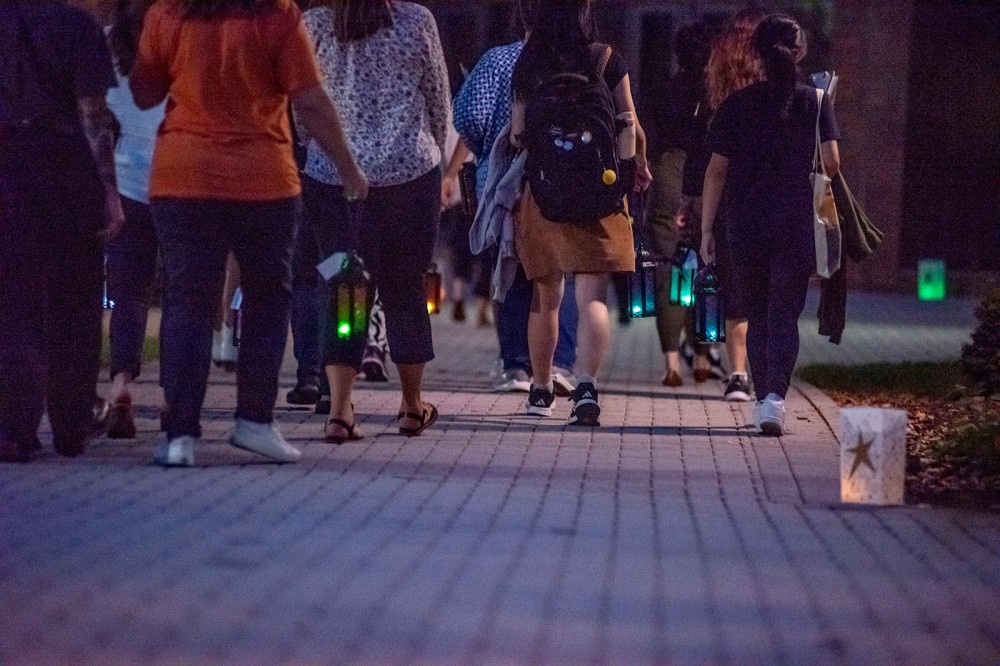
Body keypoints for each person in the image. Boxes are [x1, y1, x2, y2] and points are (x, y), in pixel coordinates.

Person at [130, 0, 368, 467]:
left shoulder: (168, 13)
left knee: (187, 300)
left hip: (184, 177)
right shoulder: (276, 15)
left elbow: (144, 92)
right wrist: (348, 168)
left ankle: (180, 435)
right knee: (266, 298)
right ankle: (254, 422)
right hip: (261, 180)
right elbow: (310, 99)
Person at [298, 0, 450, 443]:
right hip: (409, 176)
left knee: (345, 290)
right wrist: (433, 155)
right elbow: (438, 97)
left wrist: (313, 149)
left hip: (333, 179)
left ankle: (341, 411)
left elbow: (301, 102)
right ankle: (410, 405)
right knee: (405, 288)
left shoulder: (314, 25)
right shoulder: (417, 20)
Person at [511, 0, 652, 426]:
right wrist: (634, 170)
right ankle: (586, 386)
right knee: (591, 297)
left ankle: (540, 392)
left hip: (545, 193)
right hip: (601, 191)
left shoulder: (529, 62)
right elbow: (628, 121)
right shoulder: (606, 58)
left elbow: (519, 134)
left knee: (546, 297)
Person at [700, 14, 840, 435]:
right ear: (798, 53)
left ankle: (763, 399)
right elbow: (832, 164)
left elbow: (716, 171)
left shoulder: (736, 105)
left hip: (744, 222)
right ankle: (776, 398)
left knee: (756, 313)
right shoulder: (815, 101)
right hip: (795, 220)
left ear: (755, 54)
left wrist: (707, 230)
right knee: (784, 313)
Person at [0, 0, 125, 462]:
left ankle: (14, 426)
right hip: (65, 168)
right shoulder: (77, 25)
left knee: (13, 303)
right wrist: (110, 193)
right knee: (74, 300)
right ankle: (71, 423)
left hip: (7, 167)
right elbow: (93, 114)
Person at [444, 0, 580, 397]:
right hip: (564, 180)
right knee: (559, 273)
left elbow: (467, 117)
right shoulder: (576, 60)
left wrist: (485, 145)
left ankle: (517, 364)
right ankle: (561, 362)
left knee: (509, 267)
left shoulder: (498, 61)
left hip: (506, 180)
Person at [678, 9, 764, 402]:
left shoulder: (723, 105)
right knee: (768, 290)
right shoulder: (783, 99)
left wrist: (700, 214)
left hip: (732, 200)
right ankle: (765, 374)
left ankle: (738, 374)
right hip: (776, 198)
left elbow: (708, 162)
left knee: (734, 290)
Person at [643, 20, 719, 388]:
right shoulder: (716, 96)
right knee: (704, 269)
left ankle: (671, 363)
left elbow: (651, 138)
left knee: (669, 270)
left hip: (667, 173)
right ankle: (702, 355)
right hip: (707, 180)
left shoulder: (664, 91)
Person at [102, 0, 165, 438]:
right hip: (177, 180)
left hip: (123, 183)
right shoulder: (172, 42)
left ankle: (121, 384)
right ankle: (175, 396)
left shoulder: (105, 48)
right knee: (184, 294)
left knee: (129, 293)